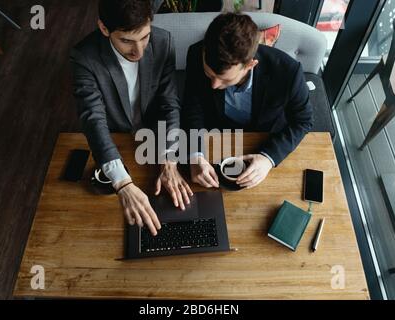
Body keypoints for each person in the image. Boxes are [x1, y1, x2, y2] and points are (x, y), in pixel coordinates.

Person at [71, 0, 192, 236]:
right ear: (104, 29)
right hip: (115, 139)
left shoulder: (163, 41)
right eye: (126, 40)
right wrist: (123, 184)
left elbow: (169, 104)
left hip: (154, 137)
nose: (139, 51)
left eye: (144, 37)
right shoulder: (83, 57)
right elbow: (93, 119)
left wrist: (168, 160)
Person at [183, 13, 313, 189]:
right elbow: (193, 108)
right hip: (216, 138)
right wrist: (195, 155)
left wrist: (269, 158)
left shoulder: (288, 72)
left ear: (250, 65)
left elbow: (303, 121)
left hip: (265, 141)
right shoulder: (196, 54)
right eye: (209, 75)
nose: (214, 85)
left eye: (225, 80)